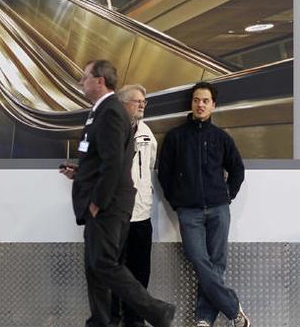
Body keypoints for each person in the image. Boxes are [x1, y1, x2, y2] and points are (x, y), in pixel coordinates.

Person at [59, 61, 174, 327]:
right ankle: (100, 322)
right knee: (95, 268)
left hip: (107, 205)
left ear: (99, 81)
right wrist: (80, 174)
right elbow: (103, 160)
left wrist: (98, 202)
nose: (81, 82)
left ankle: (158, 311)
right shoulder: (99, 111)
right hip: (101, 202)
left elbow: (114, 164)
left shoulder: (110, 112)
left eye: (85, 77)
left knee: (104, 263)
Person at [158, 82, 250, 327]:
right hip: (189, 212)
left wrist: (226, 196)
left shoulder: (221, 138)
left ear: (213, 105)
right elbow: (164, 174)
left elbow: (237, 170)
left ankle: (203, 319)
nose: (200, 104)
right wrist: (177, 201)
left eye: (205, 101)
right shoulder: (176, 137)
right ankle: (232, 308)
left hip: (219, 210)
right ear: (191, 103)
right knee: (199, 259)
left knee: (216, 264)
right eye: (197, 100)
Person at [110, 84, 157, 327]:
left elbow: (149, 166)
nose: (142, 105)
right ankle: (112, 319)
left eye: (144, 101)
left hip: (141, 216)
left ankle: (135, 320)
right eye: (137, 100)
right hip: (115, 217)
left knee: (140, 273)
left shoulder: (147, 132)